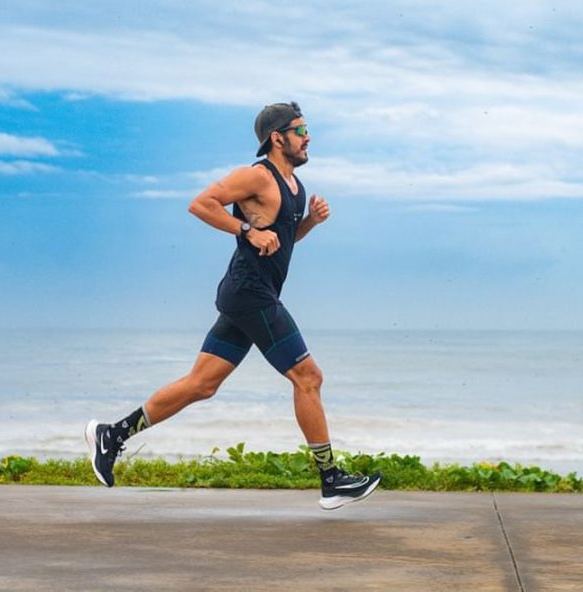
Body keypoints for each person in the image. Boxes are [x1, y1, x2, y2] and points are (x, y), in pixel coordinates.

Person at [85, 101, 381, 510]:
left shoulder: (293, 187)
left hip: (251, 294)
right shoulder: (255, 177)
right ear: (277, 138)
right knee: (308, 376)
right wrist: (245, 230)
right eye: (300, 129)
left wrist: (309, 223)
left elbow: (280, 239)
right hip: (250, 294)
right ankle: (331, 479)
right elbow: (202, 203)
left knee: (202, 384)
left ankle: (112, 434)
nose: (307, 136)